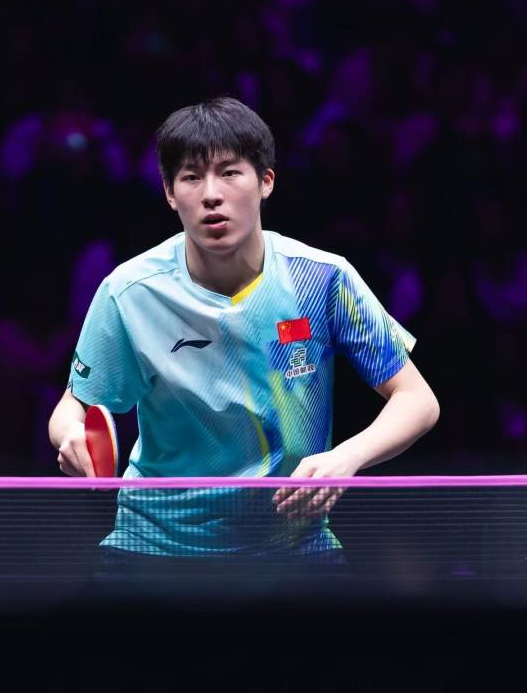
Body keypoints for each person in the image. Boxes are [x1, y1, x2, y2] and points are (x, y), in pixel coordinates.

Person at [48, 97, 439, 566]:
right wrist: (70, 435)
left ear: (266, 181)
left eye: (230, 172)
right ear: (170, 193)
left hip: (292, 546)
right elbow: (75, 405)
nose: (211, 194)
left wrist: (346, 458)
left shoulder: (322, 279)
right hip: (154, 546)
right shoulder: (129, 292)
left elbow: (417, 400)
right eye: (191, 177)